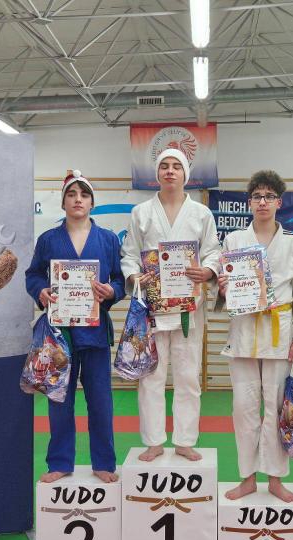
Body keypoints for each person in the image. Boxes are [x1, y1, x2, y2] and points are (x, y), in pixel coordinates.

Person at [217, 170, 293, 502]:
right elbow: (223, 289)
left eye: (269, 196)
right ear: (249, 202)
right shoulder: (233, 240)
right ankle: (247, 478)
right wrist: (224, 288)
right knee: (243, 409)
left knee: (276, 408)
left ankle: (275, 479)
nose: (263, 202)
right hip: (244, 330)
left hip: (279, 331)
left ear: (279, 203)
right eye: (257, 196)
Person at [120, 149, 221, 462]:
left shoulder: (201, 214)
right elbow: (129, 254)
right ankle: (153, 441)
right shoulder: (141, 212)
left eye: (177, 166)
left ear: (185, 174)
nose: (170, 171)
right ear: (157, 174)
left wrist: (208, 271)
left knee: (188, 376)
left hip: (189, 308)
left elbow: (213, 252)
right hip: (152, 307)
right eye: (164, 166)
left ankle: (184, 440)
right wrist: (134, 276)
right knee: (151, 376)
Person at [26, 170, 125, 484]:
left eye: (84, 195)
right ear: (63, 202)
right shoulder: (48, 240)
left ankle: (104, 463)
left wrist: (112, 291)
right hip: (60, 335)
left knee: (100, 402)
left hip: (94, 333)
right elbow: (33, 275)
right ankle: (60, 462)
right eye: (71, 195)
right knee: (59, 400)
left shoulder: (108, 239)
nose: (78, 200)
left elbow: (120, 279)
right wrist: (41, 291)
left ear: (92, 202)